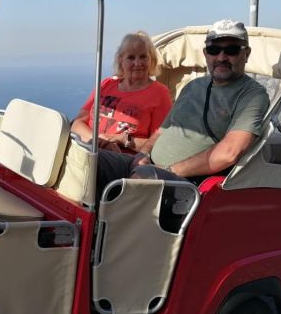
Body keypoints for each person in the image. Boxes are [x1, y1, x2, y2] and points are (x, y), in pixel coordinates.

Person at [96, 19, 269, 193]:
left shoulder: (252, 95)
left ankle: (110, 219)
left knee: (134, 185)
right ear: (205, 54)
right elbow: (161, 131)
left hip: (184, 182)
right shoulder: (193, 87)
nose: (221, 57)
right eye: (214, 50)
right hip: (149, 166)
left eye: (231, 50)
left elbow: (230, 152)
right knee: (91, 161)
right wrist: (143, 154)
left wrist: (168, 171)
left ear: (246, 54)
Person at [71, 31, 171, 154]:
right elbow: (77, 124)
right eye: (131, 57)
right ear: (121, 60)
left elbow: (160, 143)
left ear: (152, 59)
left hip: (125, 160)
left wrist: (123, 139)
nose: (138, 63)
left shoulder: (159, 93)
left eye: (143, 56)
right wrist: (101, 140)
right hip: (90, 149)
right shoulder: (106, 85)